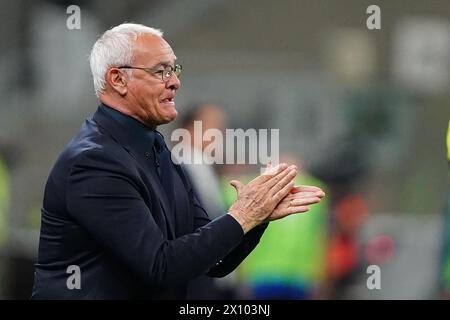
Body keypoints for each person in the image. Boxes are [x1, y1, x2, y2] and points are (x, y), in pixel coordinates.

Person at [31, 23, 325, 299]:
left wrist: (255, 217)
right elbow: (161, 267)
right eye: (160, 71)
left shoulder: (158, 149)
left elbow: (213, 260)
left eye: (174, 69)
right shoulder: (94, 162)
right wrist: (243, 216)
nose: (175, 82)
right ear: (118, 80)